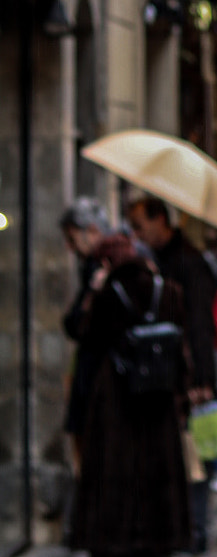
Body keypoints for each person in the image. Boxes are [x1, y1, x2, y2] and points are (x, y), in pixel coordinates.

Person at [69, 232, 190, 557]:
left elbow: (85, 333)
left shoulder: (108, 294)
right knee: (156, 466)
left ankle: (115, 547)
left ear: (106, 262)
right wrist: (184, 392)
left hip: (116, 394)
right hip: (158, 391)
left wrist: (92, 291)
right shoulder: (167, 290)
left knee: (116, 468)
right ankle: (152, 546)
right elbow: (182, 344)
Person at [127, 193, 217, 552]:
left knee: (194, 452)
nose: (137, 233)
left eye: (140, 225)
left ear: (160, 220)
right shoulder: (156, 260)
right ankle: (179, 527)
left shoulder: (190, 263)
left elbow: (200, 325)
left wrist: (202, 380)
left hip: (186, 374)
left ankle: (195, 529)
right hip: (163, 370)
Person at [59, 198, 108, 468]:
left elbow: (81, 323)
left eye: (72, 238)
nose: (69, 247)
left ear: (91, 231)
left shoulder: (103, 267)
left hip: (99, 378)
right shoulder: (92, 267)